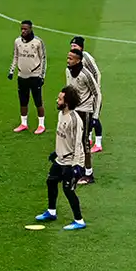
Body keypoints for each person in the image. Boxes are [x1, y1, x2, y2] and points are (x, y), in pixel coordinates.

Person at [34, 86, 87, 231]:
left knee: (68, 190)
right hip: (61, 158)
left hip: (71, 161)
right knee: (51, 182)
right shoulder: (61, 114)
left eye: (60, 99)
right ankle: (51, 212)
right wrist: (56, 152)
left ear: (67, 102)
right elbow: (63, 138)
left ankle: (79, 220)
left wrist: (76, 166)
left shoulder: (74, 120)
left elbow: (78, 144)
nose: (57, 101)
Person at [66, 49, 102, 185]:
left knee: (84, 142)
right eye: (68, 58)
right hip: (73, 110)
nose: (68, 60)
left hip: (85, 111)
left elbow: (97, 94)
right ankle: (77, 169)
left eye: (71, 59)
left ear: (78, 60)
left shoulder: (86, 75)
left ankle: (89, 174)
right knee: (72, 140)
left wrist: (95, 116)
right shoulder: (67, 71)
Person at [8, 20, 47, 134]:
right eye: (22, 29)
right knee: (23, 101)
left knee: (38, 101)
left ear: (31, 29)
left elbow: (43, 58)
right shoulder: (17, 41)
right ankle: (23, 123)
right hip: (21, 76)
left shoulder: (38, 42)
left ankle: (41, 125)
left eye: (25, 29)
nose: (23, 31)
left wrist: (42, 76)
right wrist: (11, 71)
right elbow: (16, 56)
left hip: (35, 76)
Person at [71, 36, 103, 153]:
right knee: (85, 118)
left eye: (75, 46)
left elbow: (96, 73)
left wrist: (95, 89)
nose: (73, 48)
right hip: (83, 92)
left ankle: (98, 143)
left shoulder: (86, 57)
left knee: (94, 117)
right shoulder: (74, 58)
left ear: (81, 47)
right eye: (71, 46)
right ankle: (88, 138)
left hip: (91, 92)